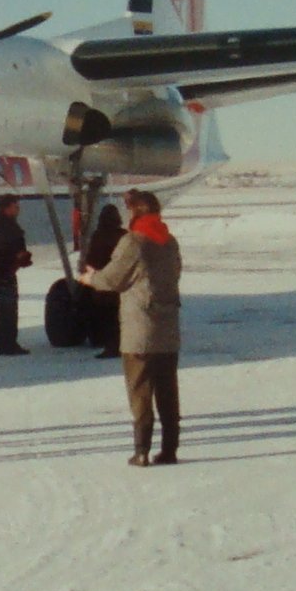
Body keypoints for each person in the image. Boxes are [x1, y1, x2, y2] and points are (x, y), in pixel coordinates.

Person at [78, 189, 184, 467]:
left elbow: (113, 279)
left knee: (140, 390)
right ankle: (170, 449)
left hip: (140, 329)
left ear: (135, 211)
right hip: (168, 326)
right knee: (168, 390)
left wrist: (91, 278)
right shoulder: (170, 241)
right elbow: (175, 272)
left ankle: (142, 451)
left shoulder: (134, 242)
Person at [0, 194, 31, 355]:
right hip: (4, 271)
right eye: (15, 207)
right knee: (6, 310)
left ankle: (6, 343)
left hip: (5, 270)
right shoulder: (3, 228)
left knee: (5, 309)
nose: (18, 210)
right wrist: (17, 257)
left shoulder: (4, 226)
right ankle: (7, 344)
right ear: (7, 208)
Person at [80, 204, 127, 359]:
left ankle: (110, 347)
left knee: (107, 317)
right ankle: (121, 345)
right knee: (119, 317)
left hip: (102, 283)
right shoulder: (124, 236)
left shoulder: (98, 236)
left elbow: (92, 259)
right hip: (120, 283)